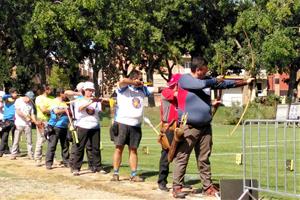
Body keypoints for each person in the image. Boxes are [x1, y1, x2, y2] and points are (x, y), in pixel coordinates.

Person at [172, 56, 254, 198]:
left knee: (204, 158)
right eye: (204, 71)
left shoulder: (205, 80)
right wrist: (215, 80)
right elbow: (200, 85)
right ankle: (177, 187)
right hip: (189, 126)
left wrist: (245, 82)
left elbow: (225, 84)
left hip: (205, 127)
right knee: (182, 156)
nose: (206, 73)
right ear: (198, 70)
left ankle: (207, 187)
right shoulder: (185, 79)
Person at [111, 69, 153, 182]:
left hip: (136, 125)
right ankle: (115, 173)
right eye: (139, 78)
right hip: (122, 122)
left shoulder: (143, 89)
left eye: (141, 79)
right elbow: (122, 81)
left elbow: (155, 90)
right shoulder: (124, 88)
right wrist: (134, 82)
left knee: (133, 150)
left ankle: (133, 174)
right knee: (119, 148)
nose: (141, 81)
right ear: (134, 78)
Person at [71, 81, 103, 176]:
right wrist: (89, 102)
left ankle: (97, 166)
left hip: (95, 126)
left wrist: (102, 102)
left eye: (92, 90)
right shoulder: (79, 100)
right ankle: (76, 168)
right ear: (84, 90)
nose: (90, 92)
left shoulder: (96, 101)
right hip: (83, 126)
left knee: (96, 148)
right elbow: (80, 108)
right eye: (88, 90)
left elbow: (99, 112)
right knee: (79, 147)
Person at [157, 73, 181, 191]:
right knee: (166, 154)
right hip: (169, 128)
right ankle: (162, 181)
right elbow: (176, 95)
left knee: (180, 155)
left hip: (179, 127)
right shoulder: (166, 92)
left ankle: (178, 182)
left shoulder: (178, 93)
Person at [45, 88, 70, 169]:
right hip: (55, 126)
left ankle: (66, 162)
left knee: (65, 145)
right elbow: (56, 111)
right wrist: (65, 110)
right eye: (65, 94)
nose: (67, 96)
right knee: (52, 145)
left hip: (64, 126)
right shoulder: (55, 101)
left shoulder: (65, 102)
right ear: (61, 93)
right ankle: (49, 163)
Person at [11, 91, 38, 160]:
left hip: (28, 125)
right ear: (26, 96)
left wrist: (34, 121)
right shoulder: (18, 101)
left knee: (29, 141)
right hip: (19, 123)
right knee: (16, 140)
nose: (30, 100)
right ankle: (13, 154)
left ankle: (30, 155)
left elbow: (32, 114)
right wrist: (26, 117)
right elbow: (18, 111)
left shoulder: (30, 104)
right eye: (29, 98)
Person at [34, 85, 53, 166]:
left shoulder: (52, 98)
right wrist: (53, 110)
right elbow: (43, 110)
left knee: (51, 140)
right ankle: (38, 158)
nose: (51, 90)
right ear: (45, 90)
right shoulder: (39, 98)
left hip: (51, 121)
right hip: (41, 121)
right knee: (41, 139)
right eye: (50, 89)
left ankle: (51, 158)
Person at [0, 88, 18, 157]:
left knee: (15, 137)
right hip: (7, 120)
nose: (16, 94)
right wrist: (11, 95)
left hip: (15, 120)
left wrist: (15, 97)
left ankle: (15, 151)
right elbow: (4, 97)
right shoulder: (7, 98)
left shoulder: (16, 100)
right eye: (15, 93)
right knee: (5, 136)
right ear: (11, 93)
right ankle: (1, 151)